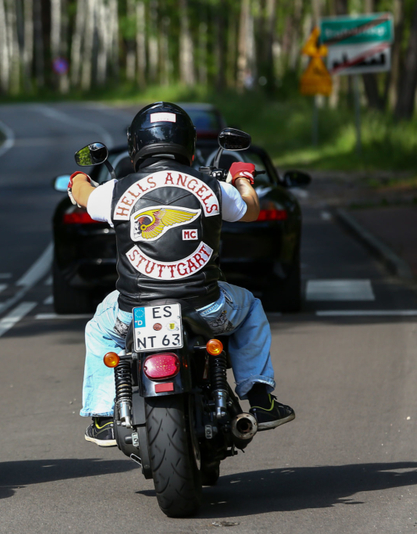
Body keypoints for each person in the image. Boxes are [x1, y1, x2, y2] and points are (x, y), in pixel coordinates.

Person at [67, 102, 294, 447]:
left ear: (136, 146)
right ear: (188, 145)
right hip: (207, 308)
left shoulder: (117, 191)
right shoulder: (214, 188)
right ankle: (261, 400)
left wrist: (78, 179)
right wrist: (243, 178)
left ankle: (101, 417)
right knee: (250, 307)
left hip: (133, 311)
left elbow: (82, 196)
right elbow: (250, 209)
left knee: (99, 329)